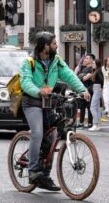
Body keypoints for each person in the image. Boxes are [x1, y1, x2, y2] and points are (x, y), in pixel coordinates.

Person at [19, 31, 90, 191]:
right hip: (32, 102)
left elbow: (69, 75)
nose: (57, 45)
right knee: (37, 133)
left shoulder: (56, 61)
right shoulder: (28, 62)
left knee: (52, 136)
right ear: (45, 46)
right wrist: (38, 91)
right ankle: (33, 170)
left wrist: (83, 89)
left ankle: (44, 176)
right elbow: (25, 82)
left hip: (49, 103)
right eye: (53, 43)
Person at [77, 53, 95, 128]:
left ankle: (90, 123)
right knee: (82, 107)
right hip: (83, 89)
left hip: (90, 89)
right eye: (85, 58)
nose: (85, 59)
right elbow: (78, 77)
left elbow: (85, 78)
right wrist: (81, 76)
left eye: (87, 58)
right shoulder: (84, 68)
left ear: (91, 60)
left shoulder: (92, 69)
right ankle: (81, 122)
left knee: (89, 106)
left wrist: (81, 76)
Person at [89, 58, 104, 132]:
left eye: (94, 63)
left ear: (97, 64)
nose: (92, 65)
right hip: (97, 88)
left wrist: (100, 88)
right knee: (97, 107)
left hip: (97, 88)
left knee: (92, 107)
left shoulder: (98, 71)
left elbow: (102, 80)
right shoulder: (96, 71)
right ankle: (97, 124)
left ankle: (95, 124)